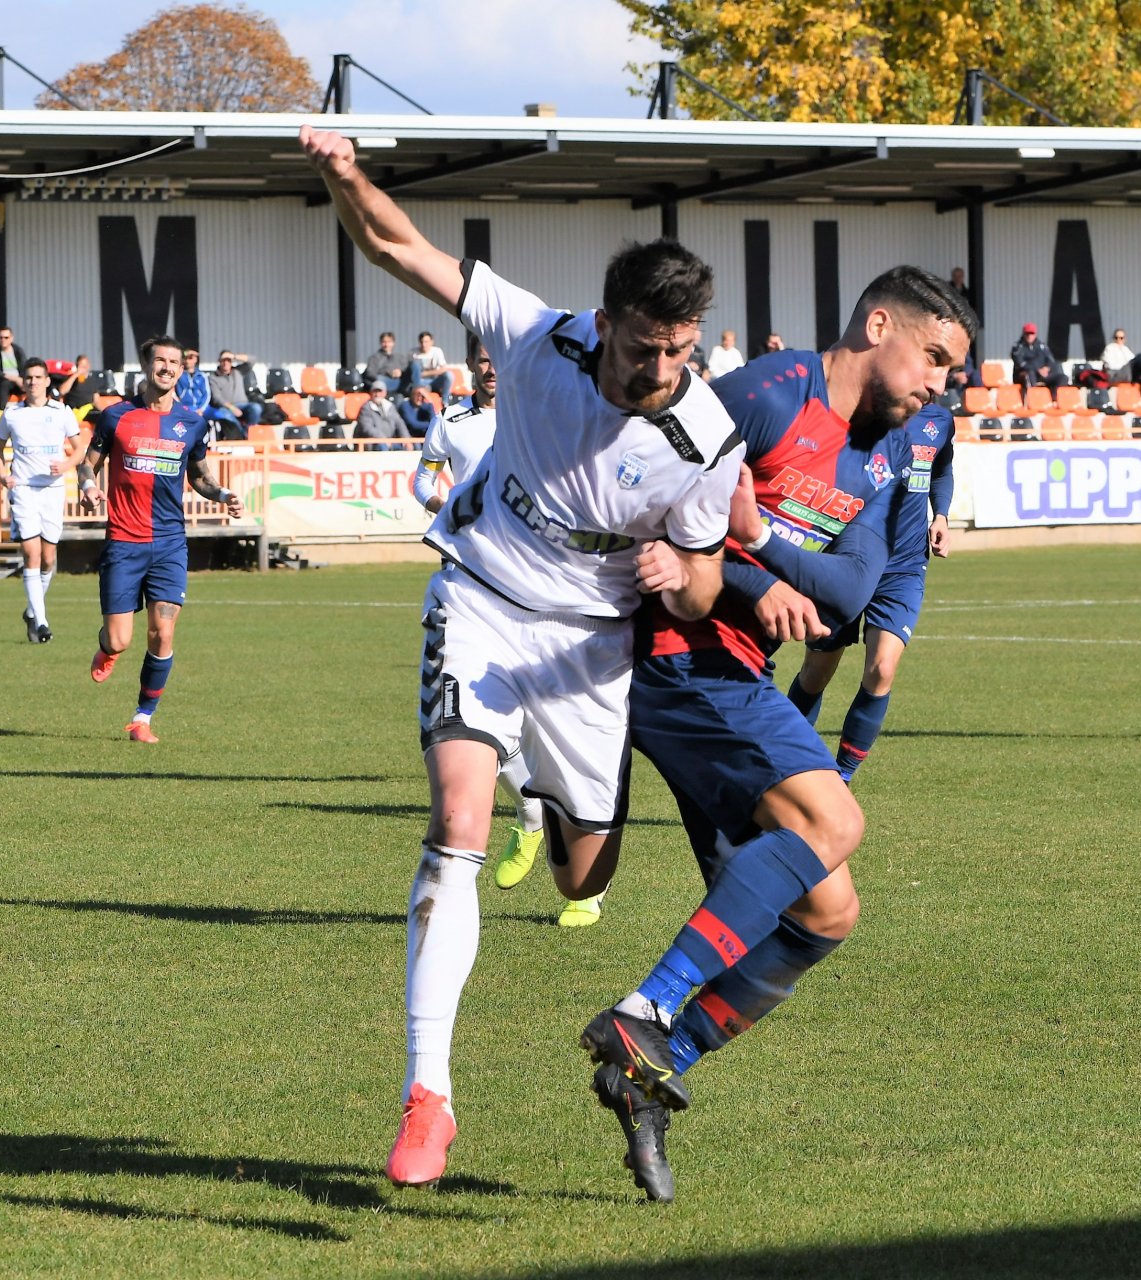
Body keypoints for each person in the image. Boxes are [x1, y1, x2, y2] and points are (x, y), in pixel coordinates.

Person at [299, 124, 742, 1193]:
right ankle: (427, 1094)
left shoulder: (707, 435)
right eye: (647, 349)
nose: (663, 370)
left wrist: (675, 582)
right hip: (484, 600)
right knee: (455, 822)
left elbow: (711, 575)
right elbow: (404, 251)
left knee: (585, 871)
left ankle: (541, 784)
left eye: (682, 351)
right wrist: (347, 176)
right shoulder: (539, 336)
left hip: (590, 652)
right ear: (606, 325)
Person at [593, 266, 974, 1202]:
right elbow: (656, 504)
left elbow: (848, 595)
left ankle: (650, 1067)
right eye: (932, 357)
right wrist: (749, 574)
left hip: (733, 674)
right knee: (835, 823)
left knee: (827, 911)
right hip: (677, 659)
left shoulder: (891, 450)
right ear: (877, 323)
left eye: (950, 371)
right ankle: (643, 1008)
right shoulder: (769, 394)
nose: (938, 384)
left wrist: (758, 541)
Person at [409, 344, 585, 925]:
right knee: (477, 718)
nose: (490, 368)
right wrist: (443, 500)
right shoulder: (453, 420)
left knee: (563, 731)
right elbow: (423, 475)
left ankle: (588, 884)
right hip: (467, 578)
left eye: (496, 359)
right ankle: (533, 818)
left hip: (542, 587)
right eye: (480, 360)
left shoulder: (541, 413)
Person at [77, 334, 245, 744]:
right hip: (124, 540)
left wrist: (222, 494)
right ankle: (108, 648)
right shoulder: (115, 416)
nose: (167, 367)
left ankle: (142, 719)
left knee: (163, 633)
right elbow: (88, 464)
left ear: (182, 369)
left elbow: (201, 477)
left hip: (170, 543)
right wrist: (87, 486)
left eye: (175, 362)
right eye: (160, 361)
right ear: (146, 365)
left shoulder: (192, 422)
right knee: (120, 638)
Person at [786, 400, 957, 783]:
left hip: (905, 564)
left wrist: (940, 513)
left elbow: (941, 467)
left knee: (882, 669)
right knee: (816, 672)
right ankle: (779, 767)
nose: (938, 381)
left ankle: (841, 779)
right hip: (848, 560)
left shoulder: (940, 419)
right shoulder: (860, 412)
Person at [0, 358, 82, 644]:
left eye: (37, 377)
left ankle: (32, 612)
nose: (32, 382)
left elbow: (80, 450)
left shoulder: (61, 412)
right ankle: (42, 623)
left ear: (47, 381)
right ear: (23, 382)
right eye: (28, 378)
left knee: (49, 558)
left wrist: (67, 464)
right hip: (24, 490)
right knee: (31, 554)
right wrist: (2, 475)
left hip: (53, 490)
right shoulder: (12, 413)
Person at [206, 350, 261, 438]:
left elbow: (252, 360)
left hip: (244, 405)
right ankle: (242, 435)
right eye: (223, 360)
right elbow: (217, 398)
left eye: (228, 360)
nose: (226, 363)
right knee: (223, 414)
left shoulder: (238, 371)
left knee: (256, 408)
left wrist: (235, 356)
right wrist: (232, 408)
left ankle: (248, 431)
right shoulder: (213, 377)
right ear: (219, 361)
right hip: (226, 407)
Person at [1011, 322, 1066, 392]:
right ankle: (1034, 399)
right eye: (1027, 333)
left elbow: (1050, 359)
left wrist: (1047, 368)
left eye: (1032, 333)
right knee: (1029, 374)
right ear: (1023, 334)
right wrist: (1037, 369)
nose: (1029, 336)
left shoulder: (1041, 346)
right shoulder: (1018, 347)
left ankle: (1053, 400)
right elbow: (1020, 363)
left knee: (1063, 378)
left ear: (1035, 334)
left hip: (1042, 374)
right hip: (1026, 374)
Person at [352, 383, 406, 449]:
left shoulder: (390, 406)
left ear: (385, 393)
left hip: (389, 440)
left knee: (411, 445)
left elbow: (400, 424)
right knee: (382, 446)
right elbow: (367, 429)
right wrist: (383, 439)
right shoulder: (365, 408)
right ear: (370, 393)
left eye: (380, 391)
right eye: (375, 391)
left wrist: (406, 439)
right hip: (373, 442)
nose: (377, 394)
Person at [406, 330, 453, 399]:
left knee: (449, 375)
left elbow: (444, 368)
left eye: (426, 342)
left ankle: (445, 400)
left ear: (431, 342)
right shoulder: (413, 352)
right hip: (420, 382)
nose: (424, 344)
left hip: (435, 380)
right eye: (421, 342)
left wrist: (425, 373)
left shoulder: (437, 351)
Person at [0, 328, 26, 402]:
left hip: (18, 381)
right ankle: (2, 411)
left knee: (31, 384)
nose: (3, 340)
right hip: (0, 381)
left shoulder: (18, 350)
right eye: (1, 337)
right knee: (5, 384)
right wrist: (15, 379)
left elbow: (24, 367)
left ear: (11, 338)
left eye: (6, 337)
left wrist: (22, 380)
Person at [175, 348, 211, 416]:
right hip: (185, 407)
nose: (187, 361)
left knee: (221, 415)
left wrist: (201, 409)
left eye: (190, 358)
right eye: (185, 358)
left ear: (196, 359)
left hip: (202, 407)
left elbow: (206, 394)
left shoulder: (202, 376)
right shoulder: (178, 374)